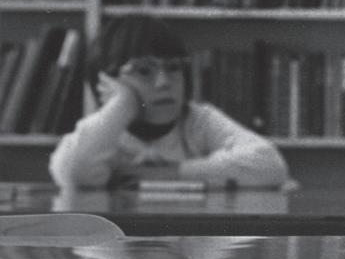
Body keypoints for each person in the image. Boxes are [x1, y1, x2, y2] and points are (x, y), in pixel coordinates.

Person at [50, 14, 289, 190]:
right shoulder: (105, 131)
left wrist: (167, 174)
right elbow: (73, 171)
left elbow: (271, 165)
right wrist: (123, 104)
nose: (164, 82)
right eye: (144, 71)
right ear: (107, 83)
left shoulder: (198, 121)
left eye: (174, 68)